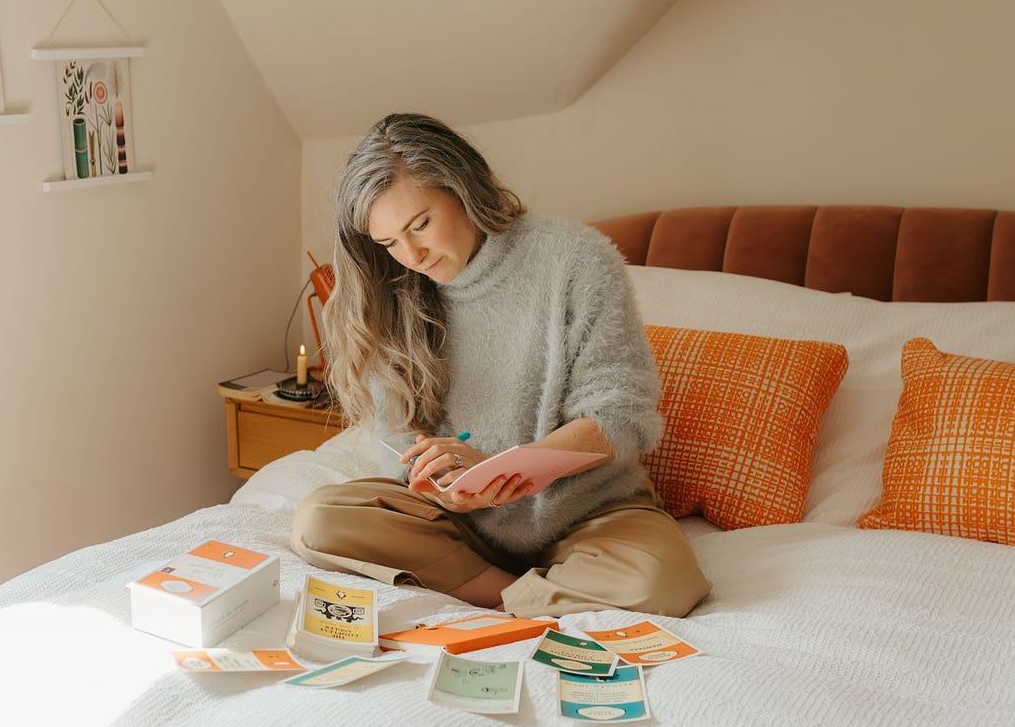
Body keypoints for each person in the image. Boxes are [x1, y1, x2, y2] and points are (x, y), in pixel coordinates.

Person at [290, 113, 710, 619]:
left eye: (420, 224)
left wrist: (513, 469)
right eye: (389, 243)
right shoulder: (390, 293)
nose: (412, 254)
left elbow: (621, 413)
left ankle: (497, 596)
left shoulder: (574, 259)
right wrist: (445, 488)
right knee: (319, 520)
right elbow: (400, 443)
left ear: (463, 188)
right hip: (460, 526)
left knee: (661, 580)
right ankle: (526, 594)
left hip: (591, 514)